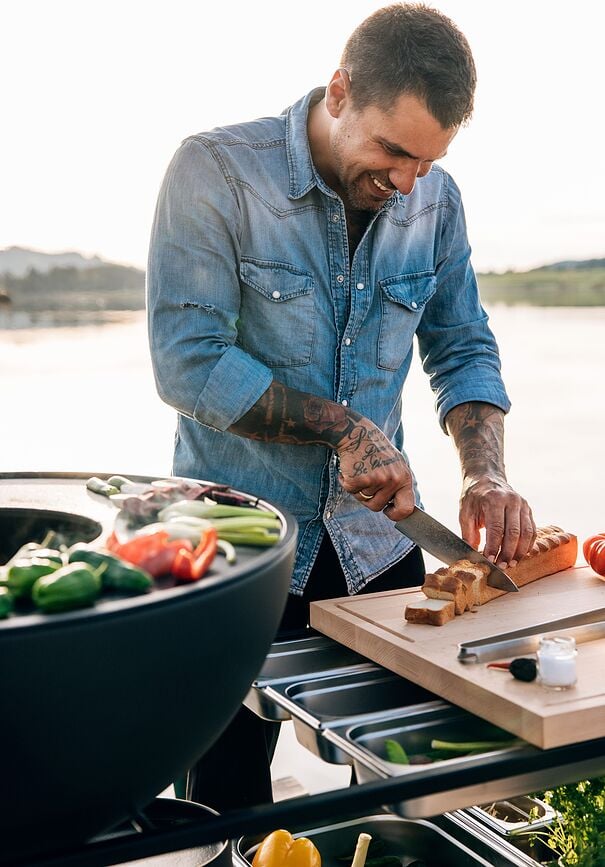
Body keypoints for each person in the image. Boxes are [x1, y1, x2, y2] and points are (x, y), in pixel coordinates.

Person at [147, 3, 536, 811]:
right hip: (235, 552)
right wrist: (344, 427)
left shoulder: (435, 203)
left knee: (410, 791)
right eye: (391, 150)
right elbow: (188, 362)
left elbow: (461, 345)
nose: (406, 182)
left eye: (426, 160)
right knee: (225, 804)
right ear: (338, 92)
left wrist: (484, 474)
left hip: (378, 548)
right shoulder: (215, 171)